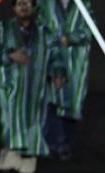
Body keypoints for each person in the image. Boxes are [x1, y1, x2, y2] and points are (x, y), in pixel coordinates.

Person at [0, 0, 65, 173]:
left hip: (35, 87)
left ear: (34, 6)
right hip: (9, 86)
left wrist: (58, 73)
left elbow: (56, 54)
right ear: (13, 8)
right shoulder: (3, 28)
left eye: (27, 2)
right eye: (19, 3)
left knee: (33, 122)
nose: (23, 6)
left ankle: (27, 167)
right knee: (10, 122)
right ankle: (8, 164)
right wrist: (9, 55)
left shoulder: (45, 32)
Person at [37, 0, 92, 160]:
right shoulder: (46, 4)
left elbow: (89, 30)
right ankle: (51, 143)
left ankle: (65, 144)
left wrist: (70, 38)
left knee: (71, 104)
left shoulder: (83, 4)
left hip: (76, 64)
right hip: (51, 57)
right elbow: (41, 29)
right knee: (51, 100)